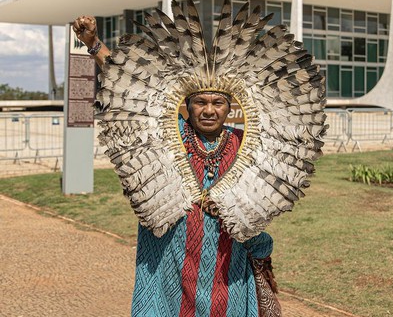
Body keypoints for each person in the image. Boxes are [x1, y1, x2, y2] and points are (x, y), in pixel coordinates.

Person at [73, 16, 279, 317]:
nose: (209, 110)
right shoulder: (168, 135)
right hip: (171, 259)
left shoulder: (245, 143)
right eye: (200, 102)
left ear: (230, 106)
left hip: (228, 263)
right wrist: (93, 43)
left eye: (218, 103)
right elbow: (129, 89)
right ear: (188, 105)